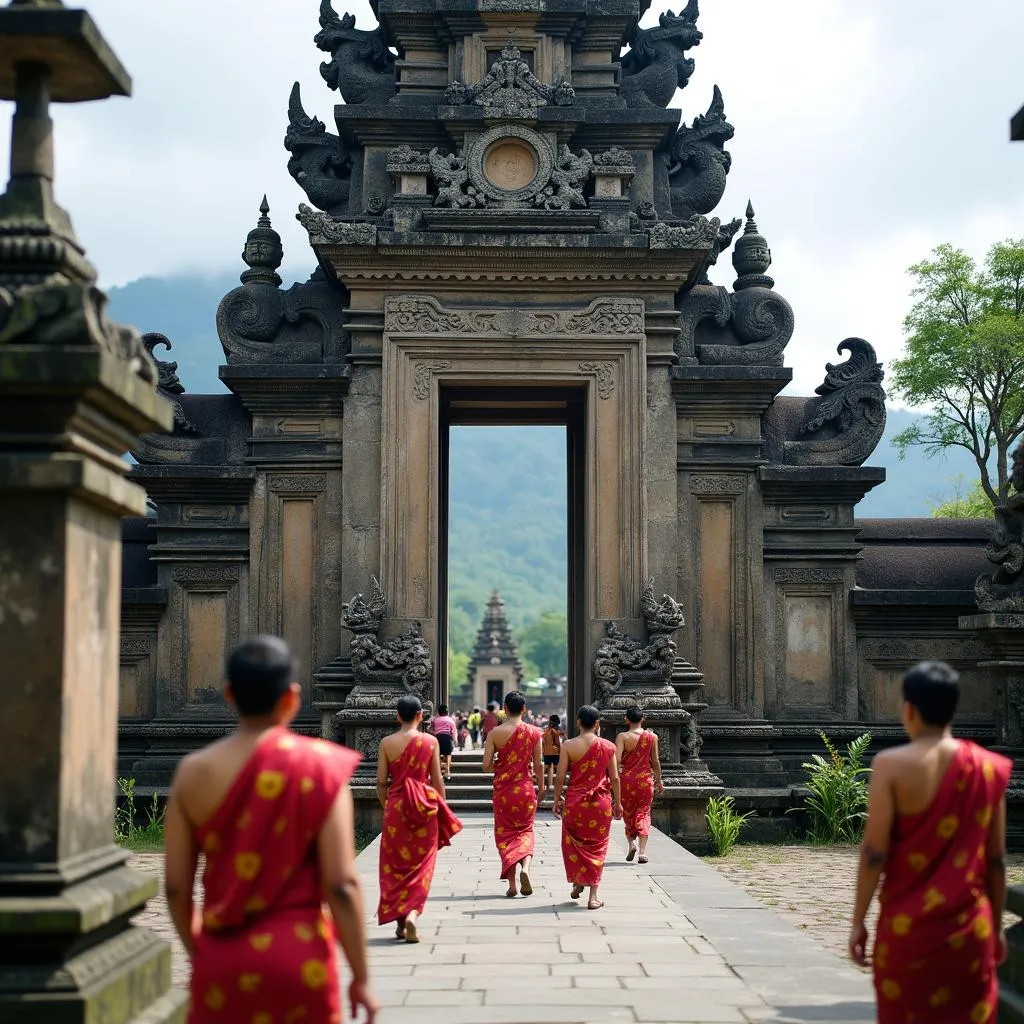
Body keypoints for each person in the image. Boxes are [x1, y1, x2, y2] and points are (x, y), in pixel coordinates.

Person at [164, 635, 379, 1024]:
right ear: (292, 698)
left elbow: (177, 887)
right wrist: (361, 977)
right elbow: (343, 885)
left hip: (222, 961)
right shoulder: (322, 768)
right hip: (300, 961)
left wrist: (201, 950)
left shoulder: (193, 773)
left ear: (229, 694)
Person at [848, 661, 1011, 1024]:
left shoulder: (890, 765)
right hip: (970, 931)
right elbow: (996, 860)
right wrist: (996, 927)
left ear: (909, 709)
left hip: (909, 931)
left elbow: (874, 852)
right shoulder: (989, 767)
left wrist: (859, 921)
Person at [377, 695, 463, 943]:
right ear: (421, 716)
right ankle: (413, 913)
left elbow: (381, 782)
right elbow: (437, 781)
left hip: (396, 807)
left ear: (397, 716)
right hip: (424, 807)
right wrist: (441, 808)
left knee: (395, 866)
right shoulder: (431, 742)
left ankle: (401, 922)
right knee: (420, 864)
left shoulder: (386, 743)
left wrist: (387, 806)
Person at [552, 704, 622, 911]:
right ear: (598, 724)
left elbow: (560, 775)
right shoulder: (609, 746)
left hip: (575, 803)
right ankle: (593, 897)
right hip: (600, 804)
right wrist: (618, 802)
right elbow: (615, 778)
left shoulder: (568, 746)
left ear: (578, 722)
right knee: (597, 847)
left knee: (574, 844)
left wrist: (557, 799)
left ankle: (577, 880)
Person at [482, 690, 545, 897]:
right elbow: (538, 765)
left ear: (505, 709)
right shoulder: (535, 732)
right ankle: (526, 868)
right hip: (525, 790)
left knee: (505, 834)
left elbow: (486, 766)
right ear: (524, 709)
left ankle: (512, 885)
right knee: (525, 831)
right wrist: (543, 787)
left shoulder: (495, 734)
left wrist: (502, 765)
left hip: (504, 791)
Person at [616, 706, 664, 863]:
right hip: (645, 781)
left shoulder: (623, 737)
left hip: (627, 781)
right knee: (643, 813)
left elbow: (616, 760)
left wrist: (613, 779)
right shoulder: (652, 737)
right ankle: (642, 852)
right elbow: (655, 761)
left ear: (626, 719)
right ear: (643, 719)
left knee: (628, 814)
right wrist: (659, 780)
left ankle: (631, 843)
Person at [431, 703, 457, 781]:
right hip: (447, 737)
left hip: (438, 737)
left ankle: (439, 771)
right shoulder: (450, 720)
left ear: (439, 712)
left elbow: (432, 728)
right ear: (447, 712)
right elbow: (454, 731)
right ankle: (447, 770)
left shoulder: (435, 719)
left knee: (437, 754)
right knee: (448, 754)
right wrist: (455, 740)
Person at [542, 713, 563, 791]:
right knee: (557, 768)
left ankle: (549, 785)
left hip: (547, 752)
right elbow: (557, 743)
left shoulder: (547, 730)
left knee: (549, 768)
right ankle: (556, 785)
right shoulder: (555, 731)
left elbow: (544, 741)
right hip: (555, 752)